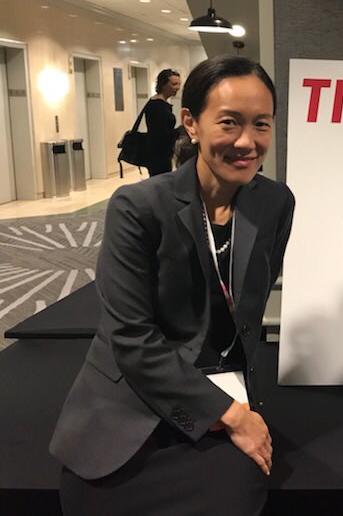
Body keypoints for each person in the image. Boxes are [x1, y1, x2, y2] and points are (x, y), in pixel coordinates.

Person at [50, 55, 294, 516]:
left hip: (223, 393)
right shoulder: (138, 206)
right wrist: (229, 413)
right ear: (192, 123)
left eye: (261, 124)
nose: (248, 141)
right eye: (229, 122)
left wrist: (235, 402)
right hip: (130, 402)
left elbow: (247, 308)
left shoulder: (276, 203)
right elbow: (130, 337)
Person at [143, 68, 181, 176]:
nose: (177, 88)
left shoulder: (160, 104)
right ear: (163, 84)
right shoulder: (158, 106)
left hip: (161, 154)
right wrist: (179, 131)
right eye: (174, 84)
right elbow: (160, 135)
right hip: (158, 155)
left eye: (178, 84)